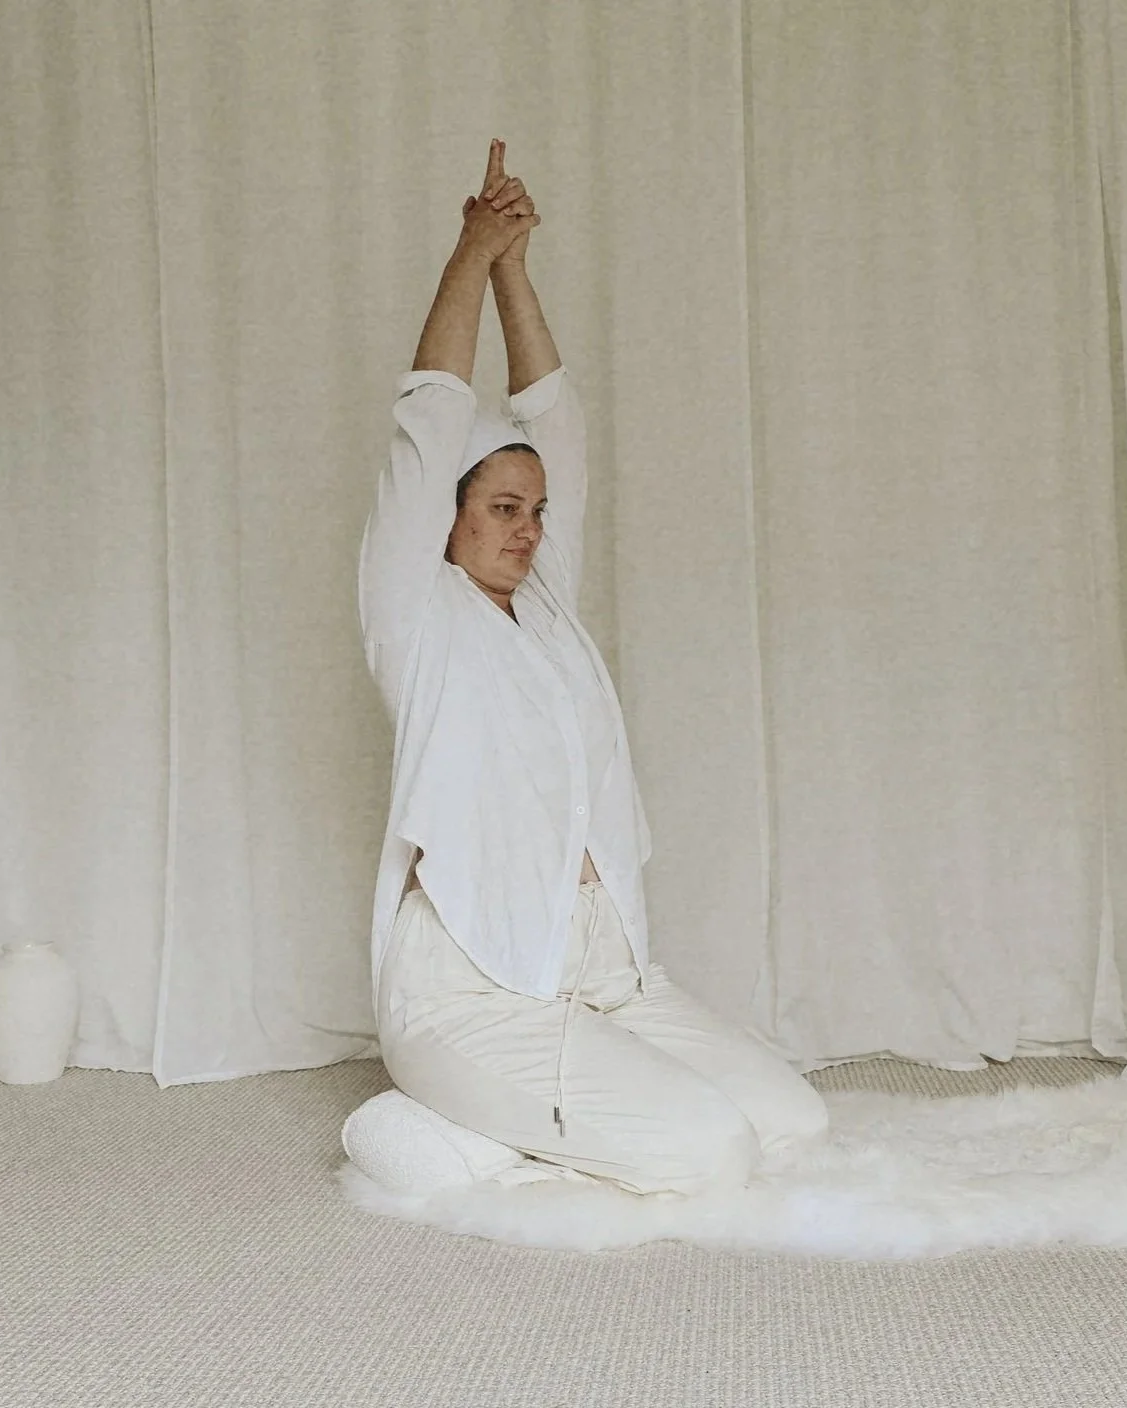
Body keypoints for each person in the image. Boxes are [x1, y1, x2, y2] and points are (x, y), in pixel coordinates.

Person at [343, 140, 827, 1197]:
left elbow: (555, 419)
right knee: (702, 1152)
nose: (524, 530)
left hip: (603, 975)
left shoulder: (547, 611)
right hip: (473, 992)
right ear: (449, 520)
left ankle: (510, 1123)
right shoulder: (416, 616)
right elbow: (427, 422)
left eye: (535, 512)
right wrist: (468, 253)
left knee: (790, 1123)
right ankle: (423, 1125)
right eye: (500, 510)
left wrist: (517, 265)